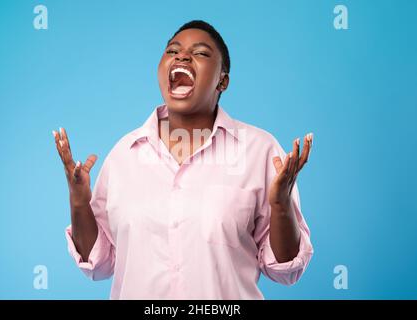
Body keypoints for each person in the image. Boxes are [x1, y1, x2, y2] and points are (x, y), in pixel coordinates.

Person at [53, 20, 314, 299]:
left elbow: (284, 271)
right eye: (172, 51)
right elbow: (100, 264)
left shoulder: (260, 150)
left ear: (222, 81)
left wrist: (281, 205)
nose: (182, 56)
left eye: (200, 53)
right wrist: (79, 202)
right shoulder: (123, 154)